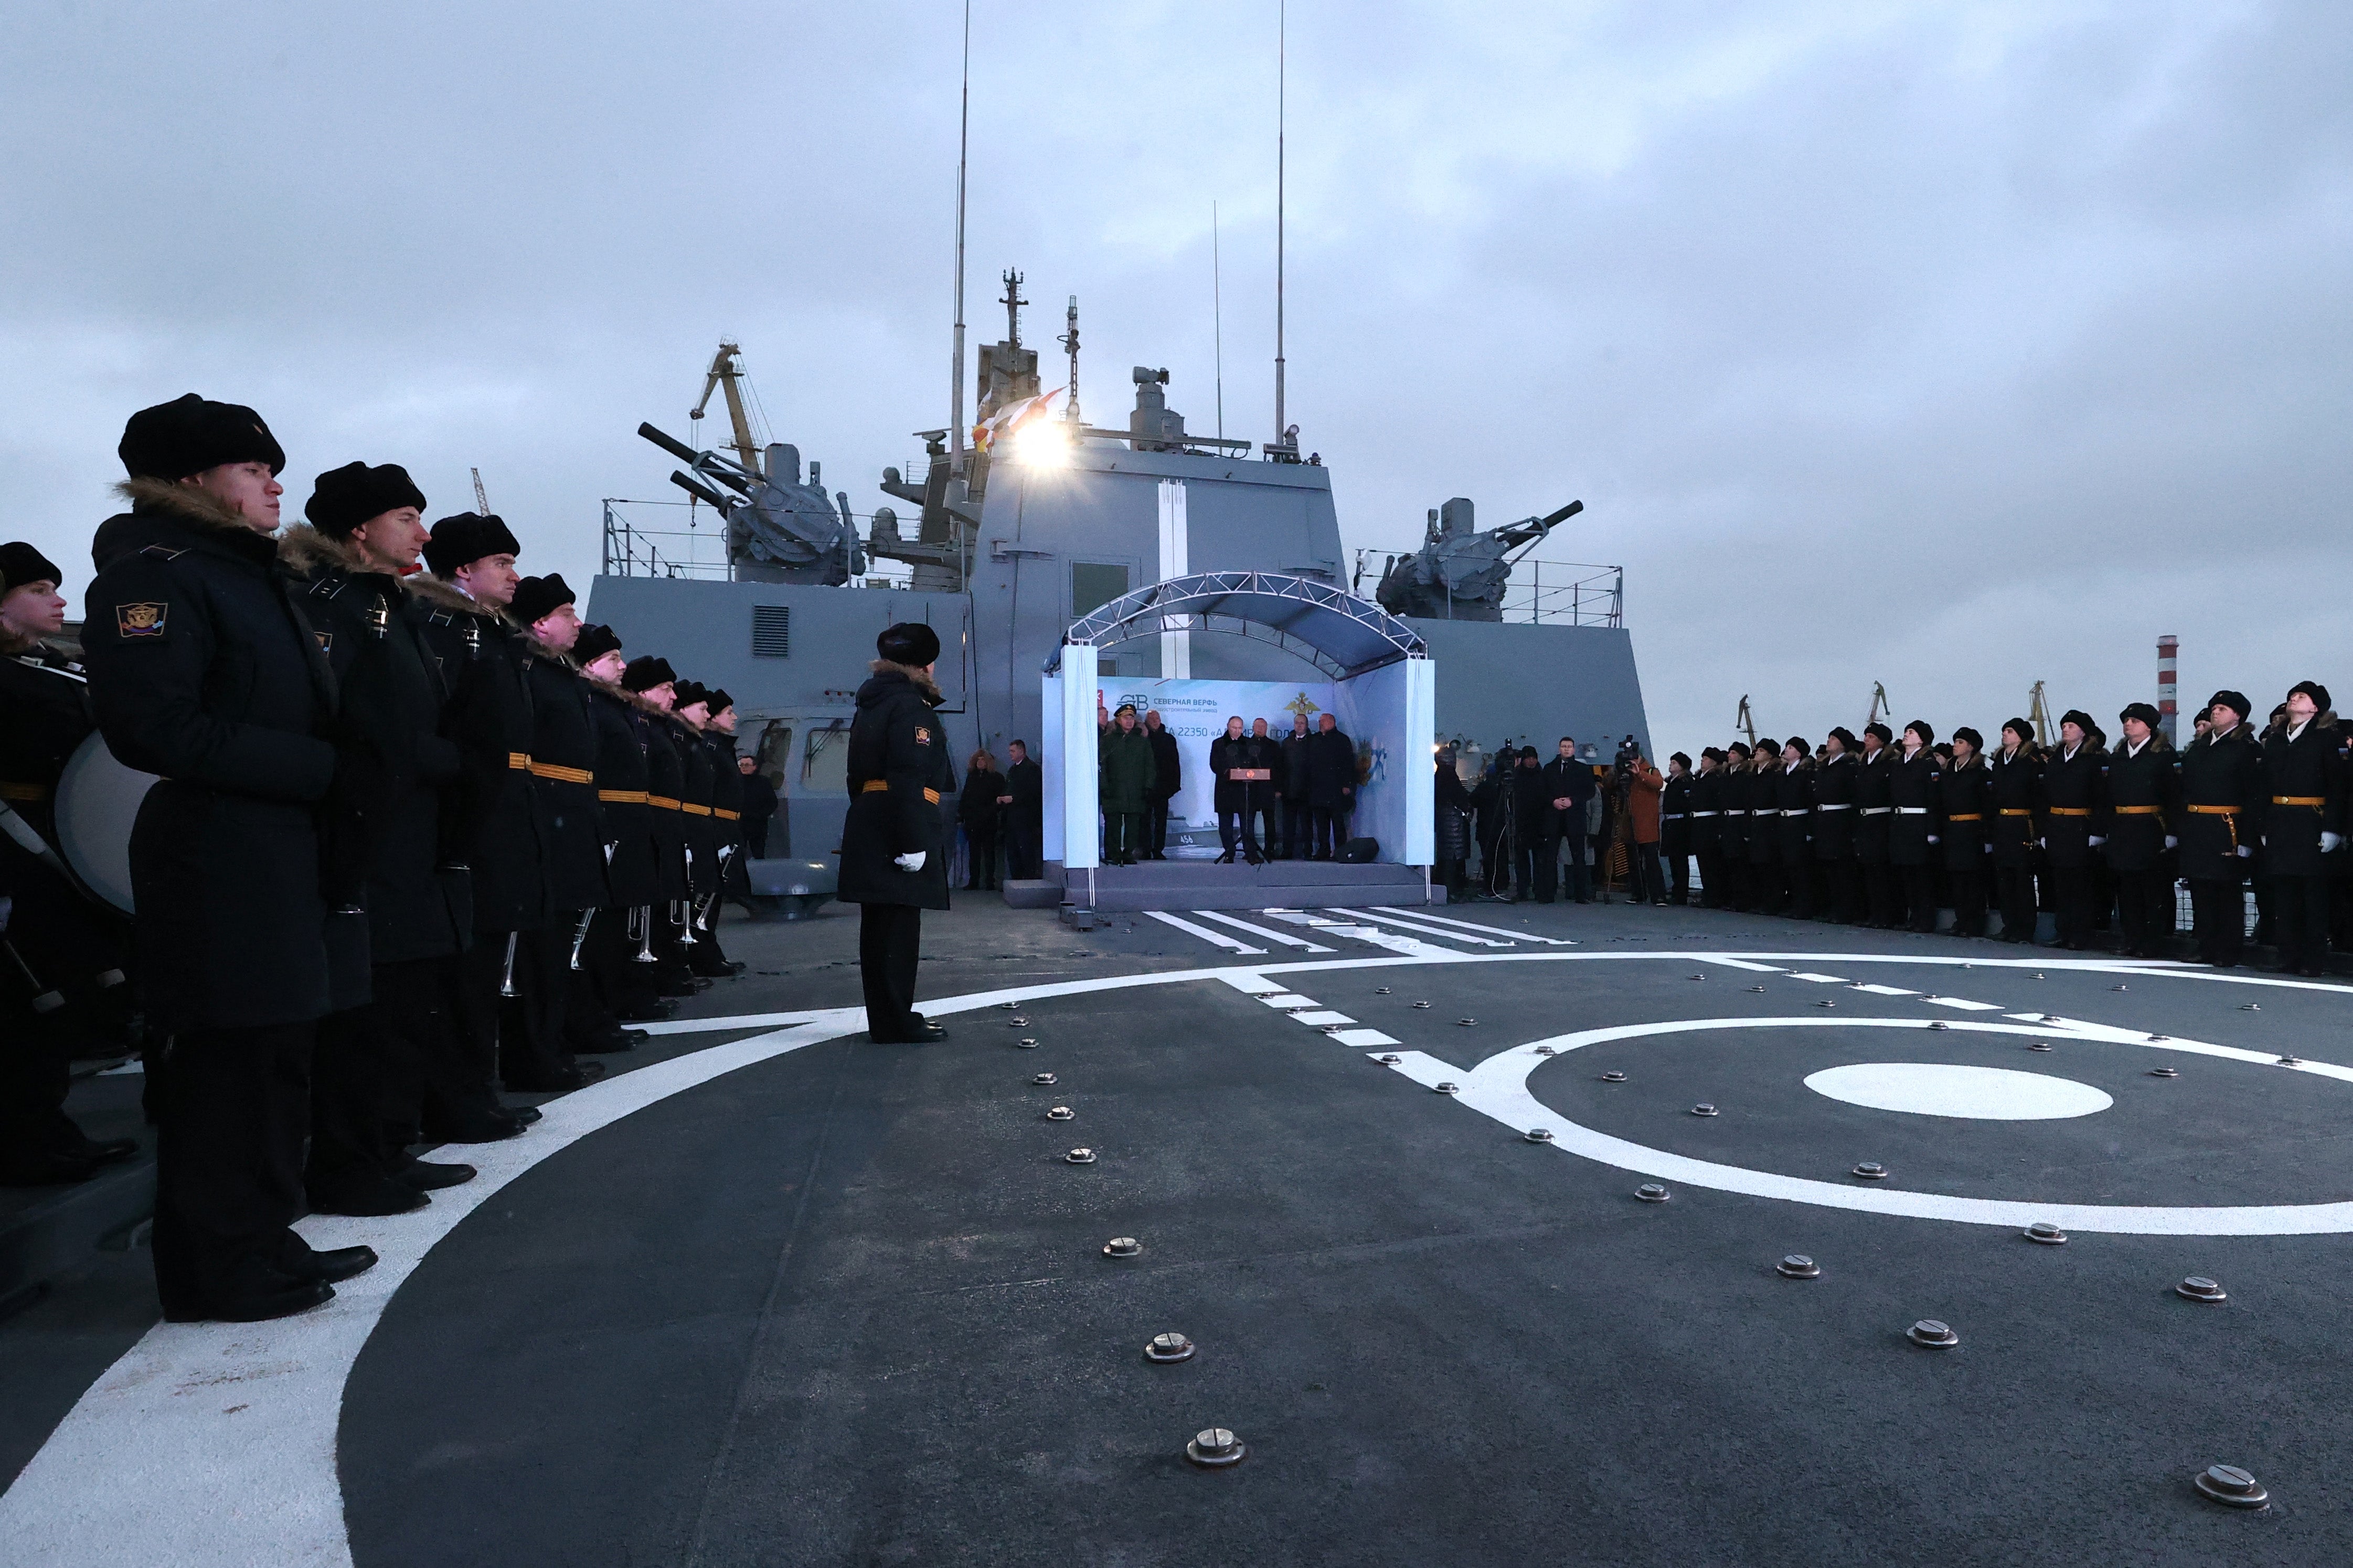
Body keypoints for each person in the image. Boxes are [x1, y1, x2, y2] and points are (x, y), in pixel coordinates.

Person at [82, 393, 377, 1321]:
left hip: (276, 844)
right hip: (217, 849)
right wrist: (318, 767)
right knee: (227, 1064)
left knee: (278, 1050)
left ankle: (262, 1232)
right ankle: (217, 1263)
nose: (274, 481)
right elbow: (152, 725)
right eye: (254, 467)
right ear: (188, 480)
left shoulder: (244, 572)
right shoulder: (154, 573)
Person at [279, 463, 483, 1214]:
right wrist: (443, 759)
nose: (422, 534)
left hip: (407, 830)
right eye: (405, 517)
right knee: (359, 1013)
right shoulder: (329, 602)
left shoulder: (388, 608)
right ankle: (346, 1162)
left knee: (398, 1002)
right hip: (367, 831)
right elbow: (354, 721)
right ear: (359, 527)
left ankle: (385, 1146)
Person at [0, 541, 140, 1186]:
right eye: (37, 590)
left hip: (60, 851)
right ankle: (32, 1139)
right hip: (20, 855)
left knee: (61, 998)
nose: (58, 599)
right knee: (31, 1003)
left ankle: (44, 1130)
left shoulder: (55, 669)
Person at [842, 623, 954, 1042]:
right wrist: (914, 841)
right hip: (899, 825)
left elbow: (856, 776)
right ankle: (895, 1021)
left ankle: (887, 1015)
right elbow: (908, 773)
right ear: (924, 664)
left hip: (872, 819)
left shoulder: (872, 703)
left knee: (877, 931)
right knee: (898, 932)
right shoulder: (911, 707)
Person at [576, 623, 669, 1026]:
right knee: (602, 926)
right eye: (613, 658)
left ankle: (619, 998)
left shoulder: (616, 710)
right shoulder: (594, 706)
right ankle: (604, 1004)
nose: (622, 666)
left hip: (629, 824)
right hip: (609, 822)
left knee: (620, 921)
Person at [2259, 681, 2341, 977]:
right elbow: (2265, 786)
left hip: (2311, 821)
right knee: (2285, 895)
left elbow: (2337, 786)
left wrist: (2333, 828)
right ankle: (2288, 956)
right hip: (2281, 821)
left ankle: (2313, 959)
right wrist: (2265, 826)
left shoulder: (2325, 739)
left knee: (2312, 896)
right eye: (2292, 695)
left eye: (2302, 696)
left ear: (2315, 707)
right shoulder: (2277, 739)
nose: (2293, 699)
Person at [2179, 690, 2262, 968]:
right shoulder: (2200, 747)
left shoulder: (2246, 748)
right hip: (2198, 825)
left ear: (2238, 715)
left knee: (2226, 890)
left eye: (2223, 708)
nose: (2215, 712)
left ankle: (2228, 949)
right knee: (2200, 888)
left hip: (2228, 825)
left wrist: (2248, 838)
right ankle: (2206, 945)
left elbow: (2253, 795)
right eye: (2214, 707)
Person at [2102, 702, 2178, 958]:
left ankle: (2152, 942)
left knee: (2151, 888)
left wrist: (2172, 831)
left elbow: (2173, 797)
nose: (2128, 724)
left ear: (2149, 726)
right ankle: (2131, 938)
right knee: (2127, 888)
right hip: (2123, 827)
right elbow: (2108, 796)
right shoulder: (2119, 756)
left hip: (2150, 827)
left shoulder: (2163, 755)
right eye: (2126, 720)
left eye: (2134, 721)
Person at [2039, 710, 2104, 950]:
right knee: (2062, 883)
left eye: (2071, 725)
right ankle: (2064, 931)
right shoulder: (2056, 760)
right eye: (2064, 725)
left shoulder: (2093, 760)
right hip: (2058, 826)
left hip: (2081, 826)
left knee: (2080, 885)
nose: (2066, 729)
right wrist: (2044, 832)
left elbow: (2100, 798)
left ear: (2084, 731)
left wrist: (2097, 832)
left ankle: (2080, 934)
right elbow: (2045, 798)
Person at [1987, 719, 2043, 942]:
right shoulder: (1999, 762)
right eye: (2004, 730)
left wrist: (2038, 832)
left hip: (2022, 823)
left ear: (2021, 736)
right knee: (2005, 878)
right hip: (2002, 824)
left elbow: (2038, 797)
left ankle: (2025, 928)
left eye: (2009, 731)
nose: (2004, 734)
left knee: (2022, 879)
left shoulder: (2031, 761)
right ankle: (2009, 925)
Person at [1939, 727, 1994, 937]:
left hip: (1972, 830)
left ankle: (1975, 922)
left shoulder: (1980, 774)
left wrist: (1987, 836)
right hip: (1953, 829)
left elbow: (1988, 806)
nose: (1955, 745)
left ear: (1971, 747)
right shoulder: (1949, 773)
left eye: (1960, 742)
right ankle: (1961, 920)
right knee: (1957, 879)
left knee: (1974, 880)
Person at [1888, 721, 1942, 933]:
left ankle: (1925, 920)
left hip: (1919, 823)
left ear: (1922, 739)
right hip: (1901, 823)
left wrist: (1932, 830)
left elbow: (1935, 798)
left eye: (1911, 732)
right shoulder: (1899, 763)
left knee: (1921, 876)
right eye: (1907, 731)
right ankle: (1914, 917)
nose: (1906, 734)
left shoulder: (1929, 764)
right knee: (1907, 874)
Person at [1811, 729, 1860, 924]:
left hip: (1840, 821)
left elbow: (1853, 797)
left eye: (1833, 739)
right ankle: (1834, 908)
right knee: (1829, 868)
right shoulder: (1824, 767)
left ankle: (1846, 910)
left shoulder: (1848, 767)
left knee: (1843, 870)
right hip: (1825, 821)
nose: (1829, 741)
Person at [1097, 702, 1154, 866]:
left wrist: (1148, 786)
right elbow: (1102, 767)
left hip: (1135, 792)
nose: (1129, 721)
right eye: (1125, 717)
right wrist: (1104, 786)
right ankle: (1114, 854)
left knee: (1133, 826)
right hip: (1114, 791)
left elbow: (1150, 766)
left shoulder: (1142, 742)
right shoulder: (1108, 741)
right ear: (1118, 720)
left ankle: (1128, 854)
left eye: (1131, 717)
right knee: (1113, 825)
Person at [1542, 737, 1596, 904]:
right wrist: (1553, 801)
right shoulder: (1549, 769)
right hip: (1554, 817)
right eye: (1564, 747)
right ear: (1559, 749)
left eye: (1569, 747)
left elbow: (1589, 791)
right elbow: (1542, 790)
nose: (1566, 750)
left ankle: (1581, 894)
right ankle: (1548, 894)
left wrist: (1573, 800)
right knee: (1550, 856)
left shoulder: (1583, 769)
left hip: (1575, 817)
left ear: (1573, 750)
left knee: (1578, 857)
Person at [1208, 716, 1269, 864]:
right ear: (1228, 727)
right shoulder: (1218, 744)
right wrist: (1228, 772)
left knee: (1247, 823)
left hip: (1245, 791)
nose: (1237, 731)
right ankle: (1229, 852)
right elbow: (1214, 765)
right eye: (1234, 728)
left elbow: (1256, 765)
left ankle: (1250, 852)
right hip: (1225, 790)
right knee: (1226, 824)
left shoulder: (1250, 744)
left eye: (1240, 728)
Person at [1854, 723, 1897, 927]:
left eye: (1871, 737)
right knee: (1869, 870)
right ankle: (1875, 913)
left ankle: (1886, 915)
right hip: (1865, 821)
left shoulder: (1887, 764)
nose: (1866, 740)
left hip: (1880, 820)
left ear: (1881, 741)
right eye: (1866, 736)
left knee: (1881, 871)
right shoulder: (1864, 763)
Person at [1307, 712, 1357, 858]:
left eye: (1323, 721)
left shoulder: (1342, 740)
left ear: (1331, 722)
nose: (1320, 723)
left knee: (1338, 822)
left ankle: (1340, 851)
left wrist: (1346, 785)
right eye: (1320, 721)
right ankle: (1323, 850)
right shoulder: (1314, 739)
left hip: (1336, 790)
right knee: (1321, 824)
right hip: (1318, 790)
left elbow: (1348, 764)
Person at [1772, 739, 1812, 918]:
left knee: (1800, 868)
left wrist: (1810, 830)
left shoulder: (1804, 774)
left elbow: (1811, 802)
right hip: (1784, 822)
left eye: (1790, 748)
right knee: (1788, 865)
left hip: (1799, 822)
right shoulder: (1782, 775)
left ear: (1799, 753)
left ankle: (1804, 906)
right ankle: (1793, 904)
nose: (1786, 751)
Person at [1747, 740, 1786, 914]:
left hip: (1770, 822)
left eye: (1761, 750)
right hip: (1757, 822)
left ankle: (1775, 903)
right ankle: (1764, 901)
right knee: (1760, 864)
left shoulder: (1775, 774)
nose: (1757, 753)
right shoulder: (1755, 774)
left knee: (1772, 865)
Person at [1626, 745, 1665, 905]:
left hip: (1648, 825)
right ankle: (1638, 893)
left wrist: (1639, 773)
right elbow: (1611, 786)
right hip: (1631, 824)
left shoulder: (1651, 771)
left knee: (1652, 862)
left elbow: (1658, 784)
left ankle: (1658, 895)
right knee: (1633, 861)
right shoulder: (1626, 774)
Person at [960, 749, 1004, 889]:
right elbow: (965, 798)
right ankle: (974, 881)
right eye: (978, 760)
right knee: (974, 853)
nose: (980, 762)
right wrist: (960, 815)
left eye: (983, 760)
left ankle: (990, 881)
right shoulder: (971, 777)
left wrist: (992, 810)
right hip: (973, 820)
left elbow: (1000, 800)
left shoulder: (997, 778)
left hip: (988, 821)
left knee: (989, 852)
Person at [1688, 749, 1726, 908]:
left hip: (1710, 822)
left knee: (1712, 862)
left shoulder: (1716, 779)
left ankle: (1714, 897)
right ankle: (1708, 894)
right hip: (1699, 823)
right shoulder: (1699, 779)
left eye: (1706, 758)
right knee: (1703, 860)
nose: (1702, 761)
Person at [1434, 745, 1473, 897]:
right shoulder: (1451, 777)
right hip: (1455, 821)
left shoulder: (1438, 777)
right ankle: (1452, 889)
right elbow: (1460, 797)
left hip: (1444, 822)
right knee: (1453, 857)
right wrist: (1467, 807)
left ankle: (1445, 887)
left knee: (1446, 856)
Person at [1142, 709, 1180, 861]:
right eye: (1152, 719)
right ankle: (1145, 850)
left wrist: (1174, 786)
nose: (1155, 721)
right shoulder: (1142, 738)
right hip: (1145, 788)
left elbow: (1175, 764)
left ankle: (1158, 850)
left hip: (1163, 788)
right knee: (1144, 822)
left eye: (1157, 718)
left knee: (1161, 821)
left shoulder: (1169, 739)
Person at [1003, 739, 1042, 878]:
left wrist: (1014, 798)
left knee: (1026, 850)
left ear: (1021, 751)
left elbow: (1034, 792)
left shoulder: (1032, 769)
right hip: (1012, 818)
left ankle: (1028, 878)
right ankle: (1016, 878)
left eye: (1013, 751)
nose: (1010, 754)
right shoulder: (1013, 770)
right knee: (1013, 851)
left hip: (1026, 818)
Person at [1660, 753, 1694, 905]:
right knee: (1674, 859)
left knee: (1680, 860)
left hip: (1681, 824)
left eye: (1674, 763)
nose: (1671, 765)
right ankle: (1677, 891)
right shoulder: (1673, 782)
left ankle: (1681, 894)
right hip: (1671, 824)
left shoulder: (1685, 782)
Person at [1280, 713, 1315, 859]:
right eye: (1297, 723)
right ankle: (1287, 851)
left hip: (1307, 791)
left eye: (1302, 723)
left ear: (1307, 725)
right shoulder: (1287, 742)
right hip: (1289, 791)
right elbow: (1281, 767)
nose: (1299, 726)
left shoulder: (1313, 742)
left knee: (1307, 825)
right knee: (1288, 824)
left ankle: (1308, 852)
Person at [1248, 717, 1285, 854]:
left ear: (1266, 729)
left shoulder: (1274, 746)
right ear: (1253, 727)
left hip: (1268, 789)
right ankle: (1250, 850)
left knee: (1269, 820)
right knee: (1249, 820)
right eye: (1257, 726)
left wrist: (1279, 789)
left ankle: (1269, 849)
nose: (1260, 729)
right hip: (1250, 788)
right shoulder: (1246, 744)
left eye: (1263, 727)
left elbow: (1280, 769)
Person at [738, 752, 780, 858]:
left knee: (759, 854)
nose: (744, 768)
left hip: (758, 826)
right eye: (741, 765)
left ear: (755, 767)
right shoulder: (735, 782)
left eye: (747, 765)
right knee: (738, 854)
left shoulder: (764, 782)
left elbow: (772, 803)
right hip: (739, 825)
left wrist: (760, 815)